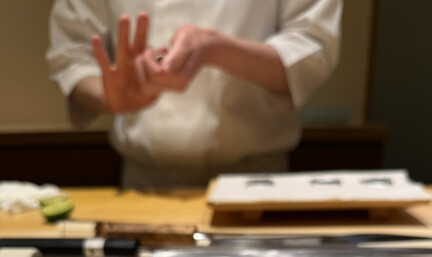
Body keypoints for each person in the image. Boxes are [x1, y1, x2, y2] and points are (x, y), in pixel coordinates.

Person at [47, 1, 342, 189]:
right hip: (142, 186)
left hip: (257, 186)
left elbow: (312, 47)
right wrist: (109, 96)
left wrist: (216, 48)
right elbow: (71, 55)